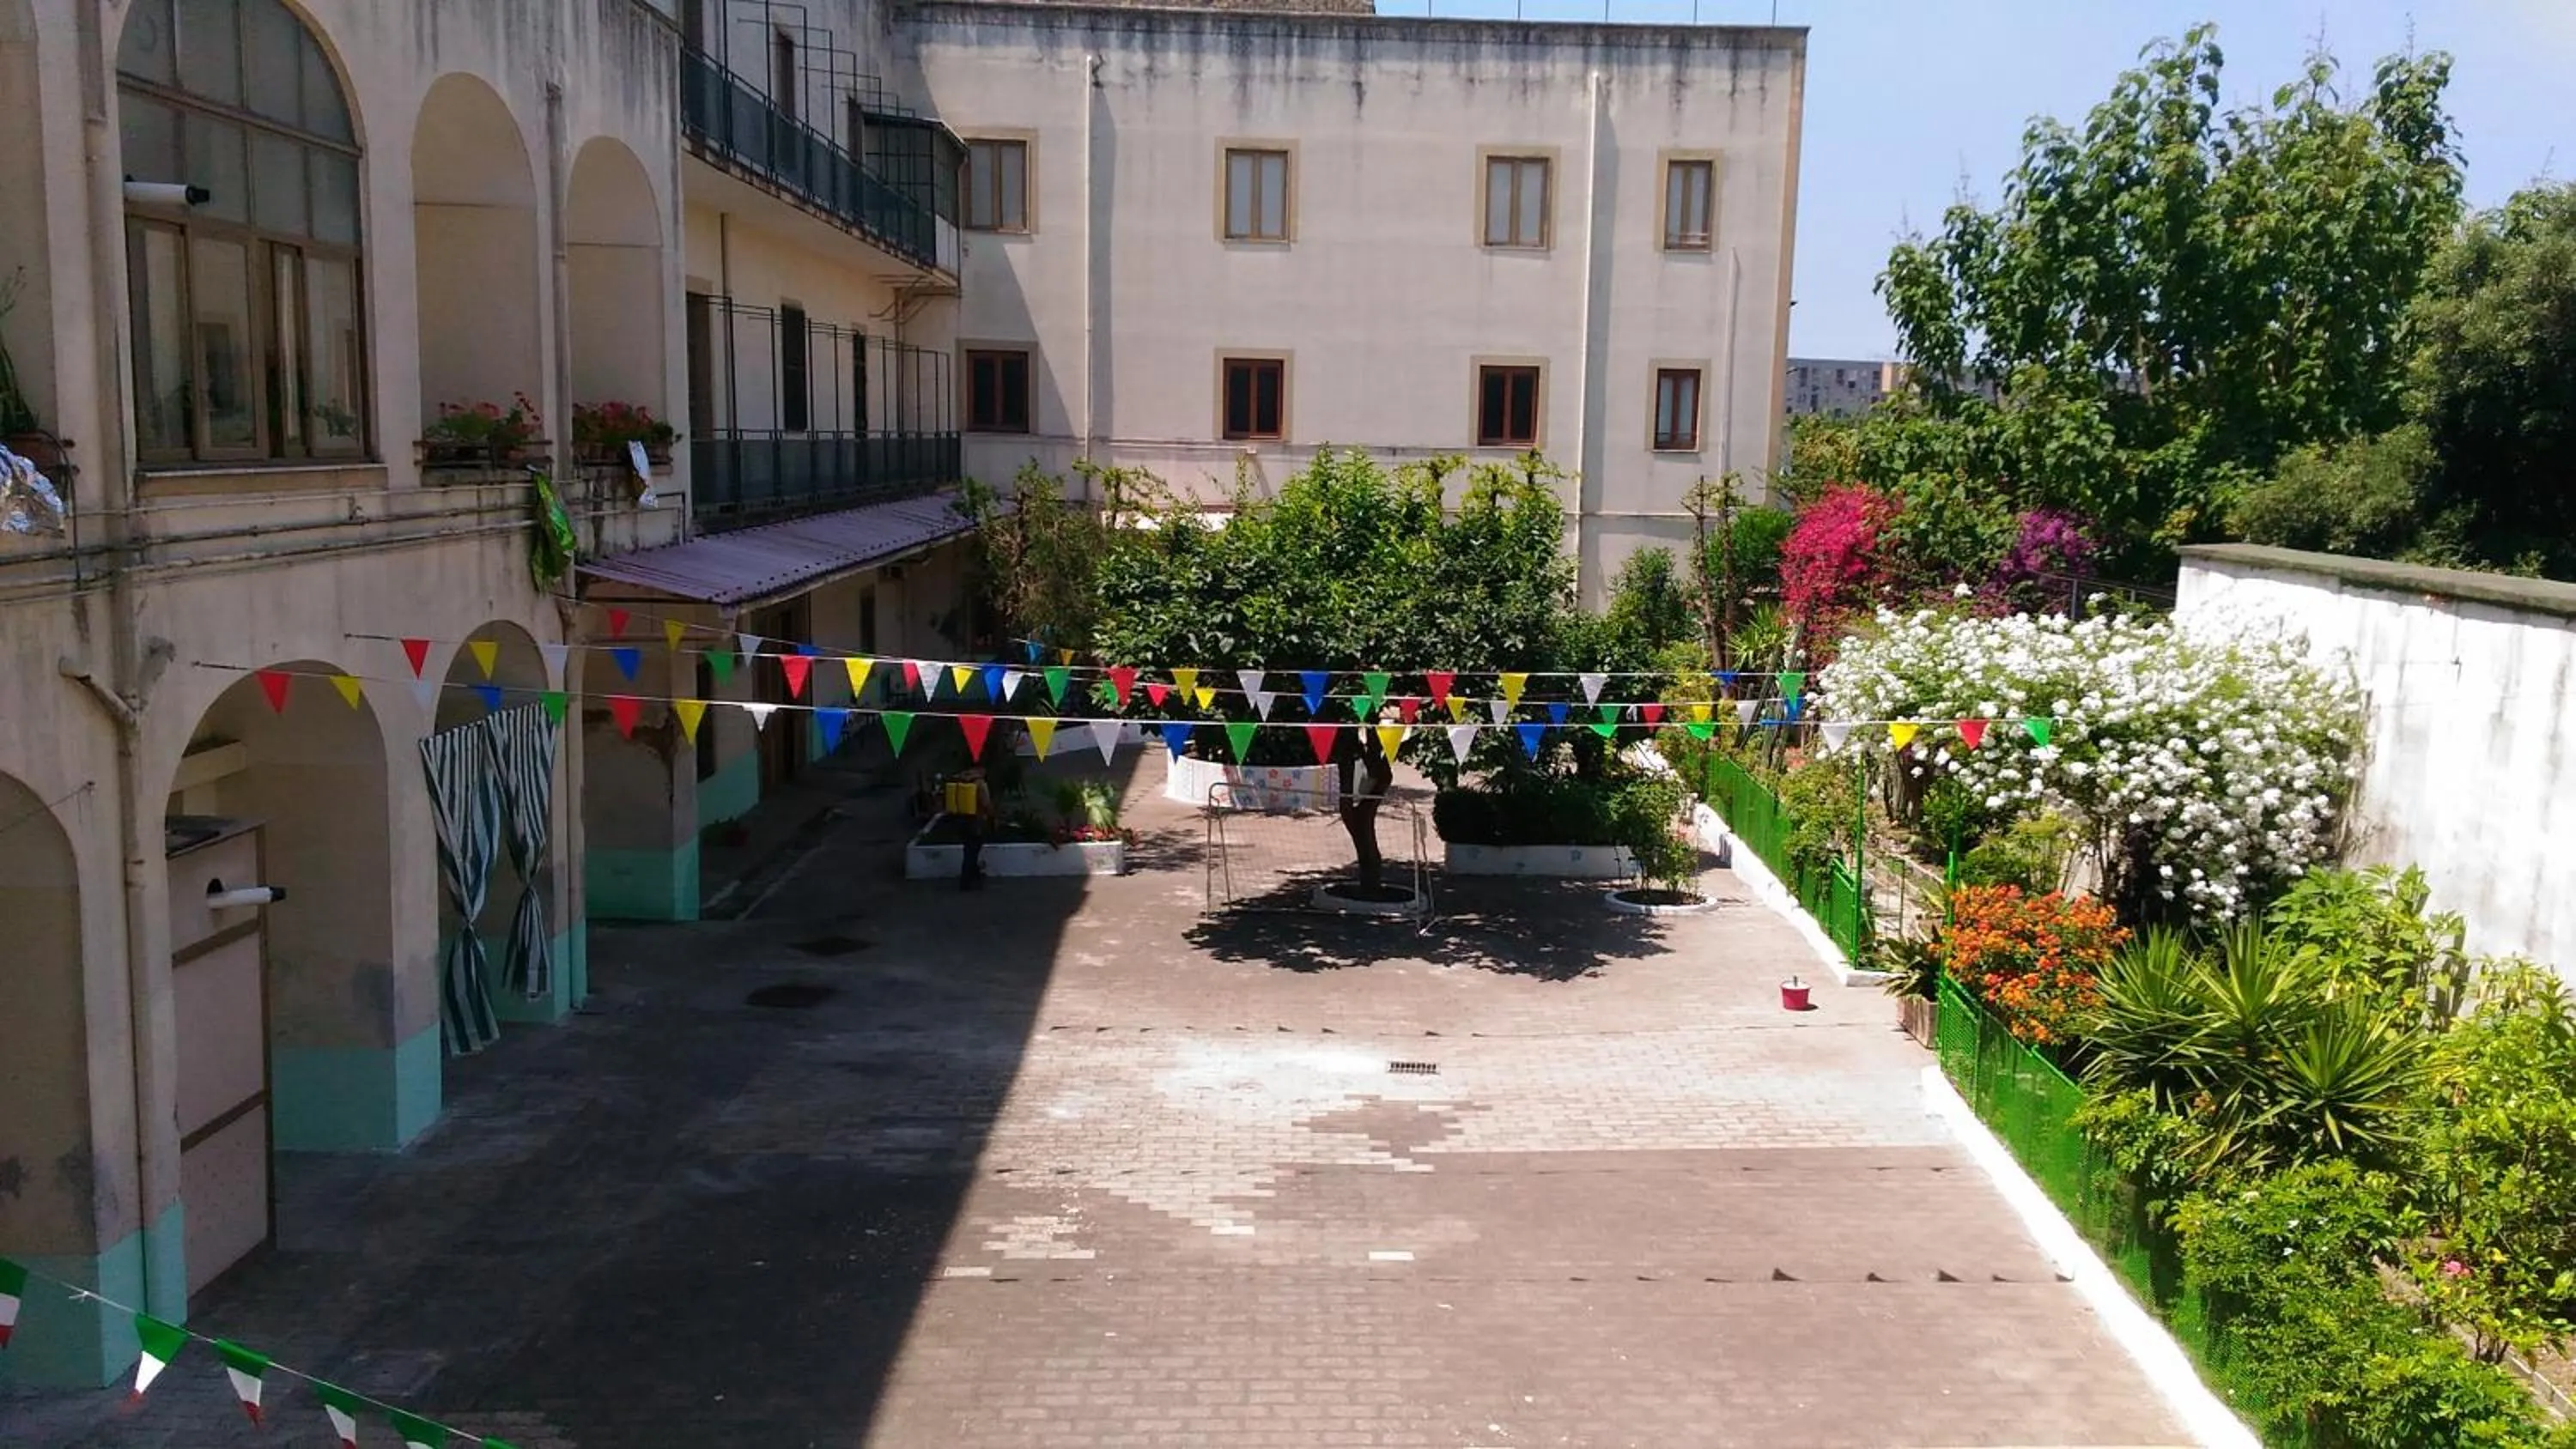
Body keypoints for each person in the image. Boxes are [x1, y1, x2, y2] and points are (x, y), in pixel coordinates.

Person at [944, 765, 996, 889]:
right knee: (972, 850)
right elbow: (986, 803)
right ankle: (966, 881)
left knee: (969, 848)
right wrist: (993, 817)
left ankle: (975, 876)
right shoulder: (980, 783)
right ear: (980, 769)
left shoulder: (959, 779)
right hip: (975, 821)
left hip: (959, 820)